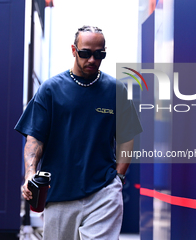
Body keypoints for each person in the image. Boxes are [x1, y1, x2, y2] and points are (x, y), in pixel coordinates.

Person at [15, 25, 142, 240]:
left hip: (103, 191)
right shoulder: (51, 89)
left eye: (99, 54)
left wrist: (118, 178)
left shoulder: (116, 90)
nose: (92, 59)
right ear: (74, 50)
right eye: (85, 53)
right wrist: (30, 174)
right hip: (59, 193)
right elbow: (35, 137)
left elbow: (127, 137)